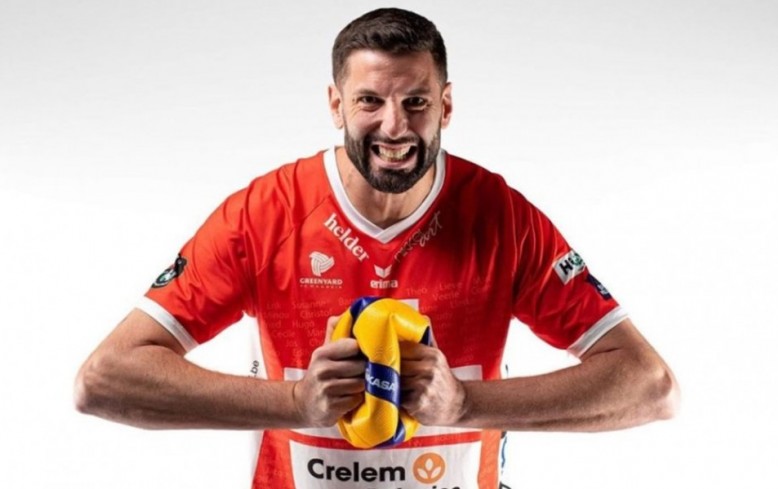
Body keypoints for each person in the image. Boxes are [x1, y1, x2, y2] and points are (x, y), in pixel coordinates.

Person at [75, 7, 679, 489]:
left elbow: (650, 386)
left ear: (445, 105)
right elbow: (104, 380)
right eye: (370, 101)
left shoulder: (500, 217)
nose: (395, 126)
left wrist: (463, 403)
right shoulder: (265, 215)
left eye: (416, 101)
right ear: (336, 104)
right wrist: (295, 402)